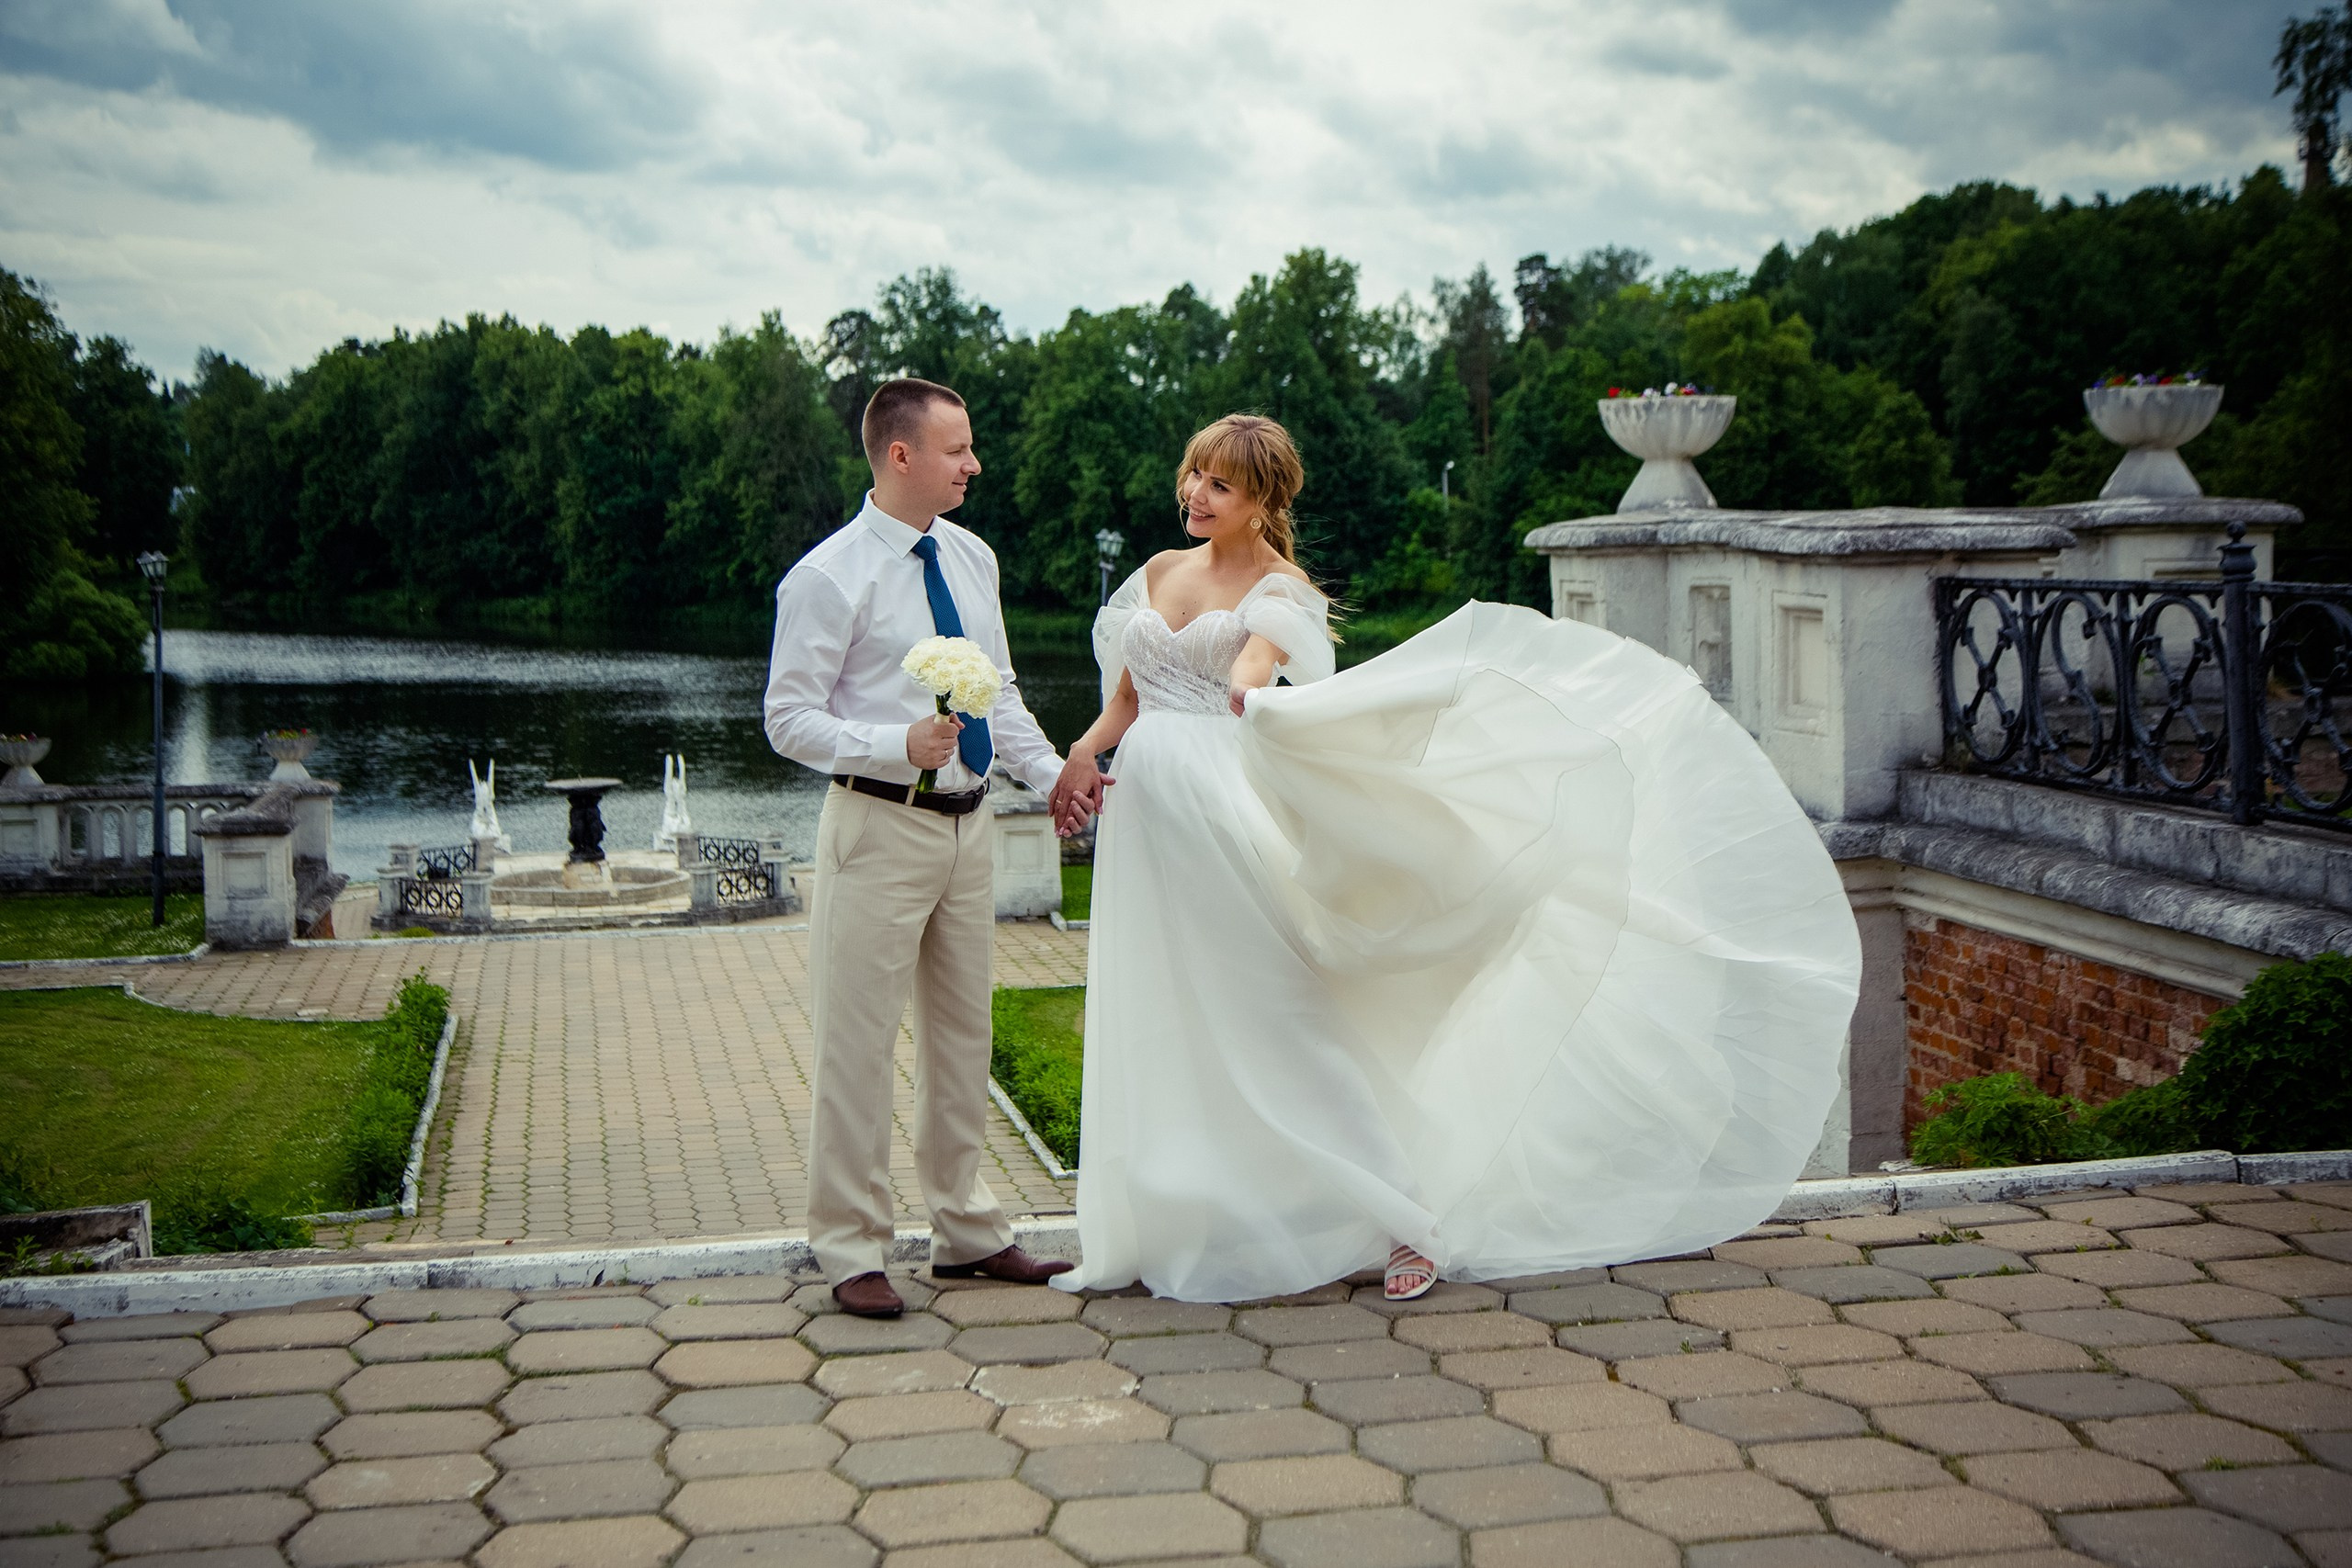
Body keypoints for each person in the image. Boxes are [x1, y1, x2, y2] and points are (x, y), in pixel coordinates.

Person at [1046, 413, 1862, 1304]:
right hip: (1143, 822)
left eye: (1219, 486)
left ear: (1262, 501)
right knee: (1160, 1012)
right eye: (1194, 476)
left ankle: (1411, 1224)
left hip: (1217, 807)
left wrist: (1248, 693)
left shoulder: (1279, 588)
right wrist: (1081, 756)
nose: (1195, 496)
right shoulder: (1160, 574)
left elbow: (1253, 668)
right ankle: (1179, 1220)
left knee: (1282, 1012)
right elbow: (1127, 697)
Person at [763, 377, 1073, 1317]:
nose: (974, 464)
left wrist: (1054, 774)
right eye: (957, 449)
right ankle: (850, 1246)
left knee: (961, 1036)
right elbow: (786, 719)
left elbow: (999, 693)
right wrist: (891, 744)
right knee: (857, 1045)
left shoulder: (972, 558)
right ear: (901, 456)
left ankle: (967, 1233)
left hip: (968, 823)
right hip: (875, 826)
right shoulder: (827, 577)